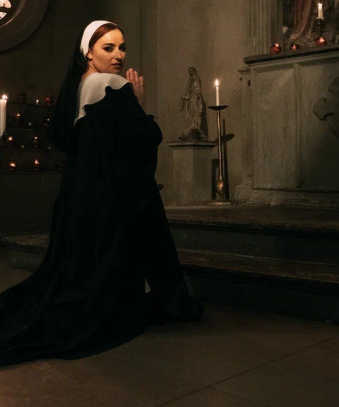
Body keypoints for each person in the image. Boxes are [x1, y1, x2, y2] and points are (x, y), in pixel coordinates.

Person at [0, 20, 201, 366]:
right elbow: (142, 141)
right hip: (106, 198)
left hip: (79, 197)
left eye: (122, 47)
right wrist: (139, 105)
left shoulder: (81, 86)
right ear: (88, 54)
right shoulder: (110, 85)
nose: (119, 55)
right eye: (108, 48)